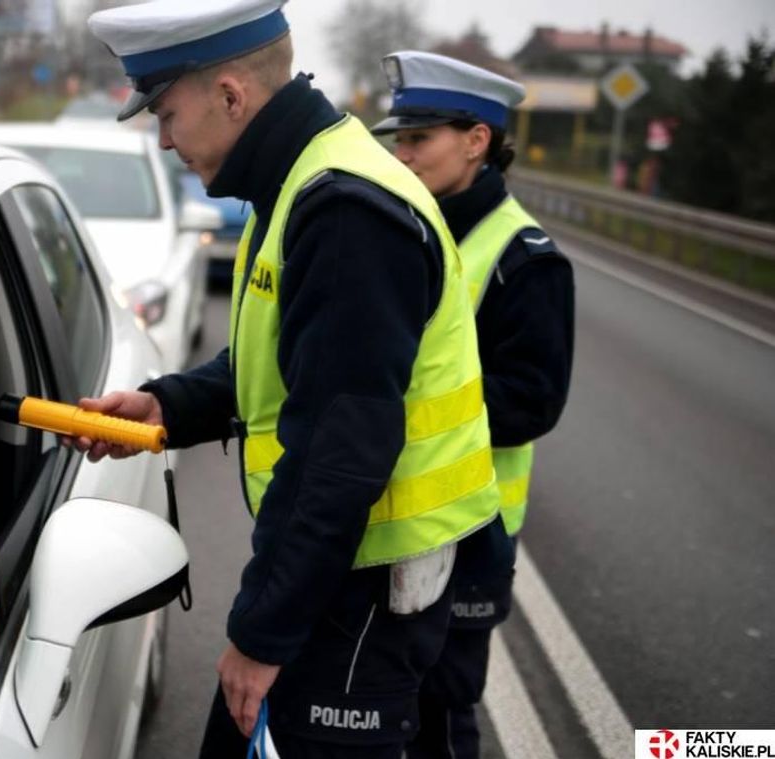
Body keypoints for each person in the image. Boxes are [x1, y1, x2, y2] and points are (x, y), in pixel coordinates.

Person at [81, 3, 509, 755]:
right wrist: (165, 405)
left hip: (362, 589)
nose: (165, 138)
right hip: (340, 576)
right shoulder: (302, 178)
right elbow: (283, 366)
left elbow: (336, 457)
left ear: (231, 96)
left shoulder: (342, 209)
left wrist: (261, 634)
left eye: (167, 113)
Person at [371, 52, 575, 758]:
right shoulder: (406, 224)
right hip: (392, 517)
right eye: (398, 139)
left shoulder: (526, 258)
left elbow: (532, 403)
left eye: (417, 139)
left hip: (472, 527)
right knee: (383, 707)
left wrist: (391, 399)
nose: (402, 153)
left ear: (477, 140)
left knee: (440, 715)